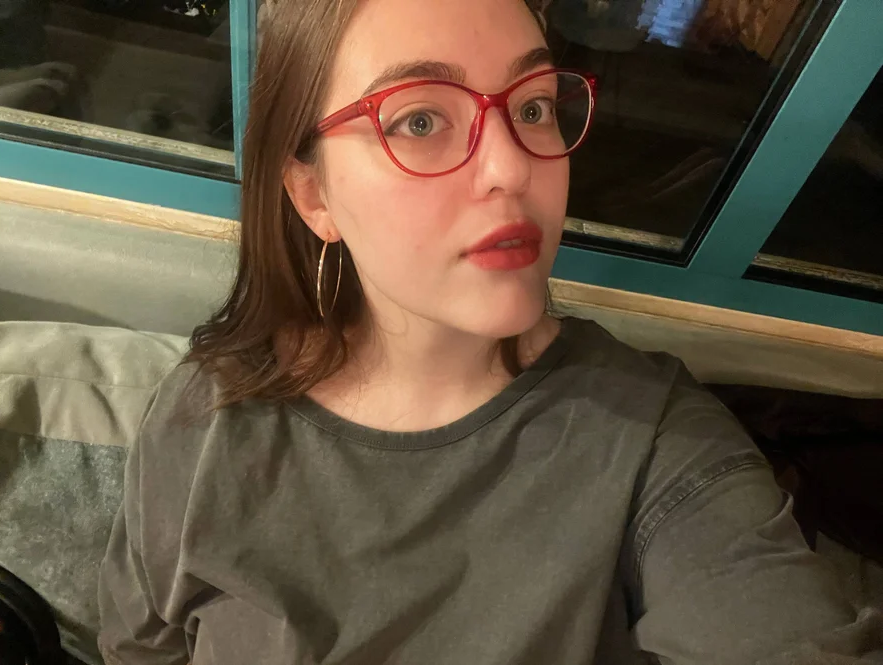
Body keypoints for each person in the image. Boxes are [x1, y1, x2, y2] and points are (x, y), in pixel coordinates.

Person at [97, 0, 883, 663]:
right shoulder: (206, 414)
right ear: (314, 196)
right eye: (421, 119)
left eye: (532, 106)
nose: (513, 167)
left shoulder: (652, 441)